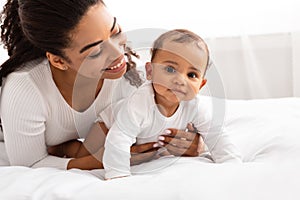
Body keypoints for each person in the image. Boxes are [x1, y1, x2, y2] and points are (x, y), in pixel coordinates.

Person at [0, 0, 203, 170]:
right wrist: (98, 161)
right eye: (95, 52)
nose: (118, 54)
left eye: (115, 32)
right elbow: (29, 164)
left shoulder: (133, 80)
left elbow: (171, 117)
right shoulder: (26, 89)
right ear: (58, 61)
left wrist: (191, 143)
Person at [98, 29, 242, 179]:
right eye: (170, 69)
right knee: (90, 149)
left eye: (192, 75)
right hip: (109, 121)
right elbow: (119, 137)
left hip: (143, 137)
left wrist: (231, 163)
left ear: (201, 85)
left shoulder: (195, 106)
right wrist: (118, 174)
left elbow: (216, 134)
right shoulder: (140, 102)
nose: (180, 80)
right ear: (150, 72)